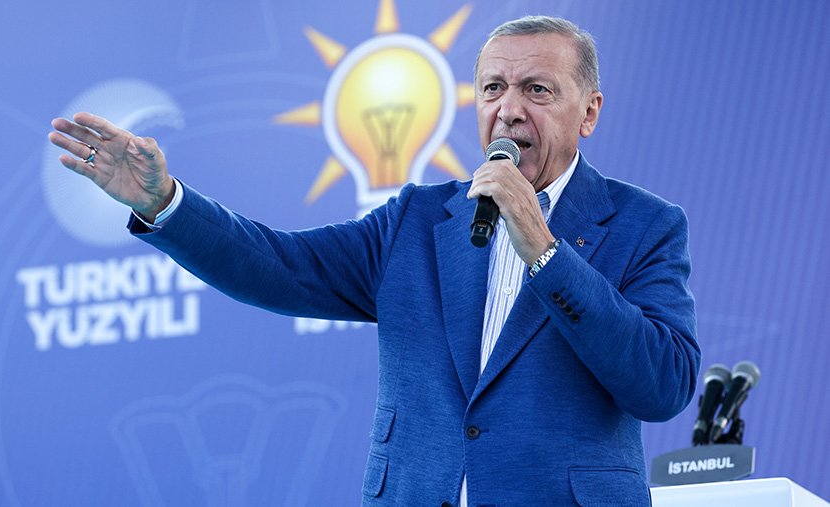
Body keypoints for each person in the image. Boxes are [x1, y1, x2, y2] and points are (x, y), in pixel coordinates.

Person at [49, 15, 699, 506]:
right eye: (493, 88)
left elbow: (663, 383)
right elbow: (280, 266)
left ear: (589, 112)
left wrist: (546, 252)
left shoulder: (645, 226)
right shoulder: (417, 220)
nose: (509, 110)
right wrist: (165, 201)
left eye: (537, 89)